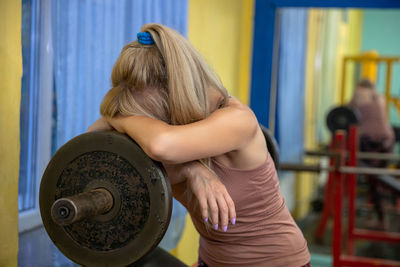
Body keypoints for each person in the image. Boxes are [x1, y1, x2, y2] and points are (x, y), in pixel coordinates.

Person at [87, 23, 310, 267]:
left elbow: (162, 145)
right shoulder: (168, 136)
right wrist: (191, 169)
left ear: (174, 94)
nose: (147, 125)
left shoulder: (238, 120)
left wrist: (116, 113)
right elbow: (91, 144)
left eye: (148, 116)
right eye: (141, 119)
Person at [349, 79, 395, 228]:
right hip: (388, 140)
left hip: (372, 142)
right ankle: (383, 218)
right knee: (383, 179)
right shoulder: (379, 96)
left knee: (376, 182)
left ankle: (382, 221)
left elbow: (346, 110)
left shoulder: (360, 94)